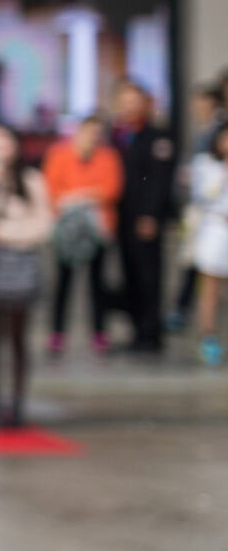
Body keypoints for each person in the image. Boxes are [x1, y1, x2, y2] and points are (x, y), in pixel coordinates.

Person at [0, 125, 52, 426]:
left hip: (20, 263)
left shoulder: (31, 181)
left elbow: (42, 226)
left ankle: (17, 404)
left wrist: (5, 234)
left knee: (17, 338)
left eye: (3, 141)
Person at [42, 116, 124, 356]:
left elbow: (111, 189)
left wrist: (76, 196)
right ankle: (57, 333)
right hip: (67, 229)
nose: (92, 138)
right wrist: (88, 195)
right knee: (63, 283)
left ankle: (99, 332)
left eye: (96, 133)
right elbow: (52, 187)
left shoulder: (108, 157)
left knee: (97, 283)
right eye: (88, 132)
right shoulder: (60, 154)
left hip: (98, 229)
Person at [110, 79, 176, 355]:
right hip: (122, 218)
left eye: (133, 100)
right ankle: (138, 331)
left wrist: (151, 215)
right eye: (124, 101)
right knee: (130, 275)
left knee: (150, 277)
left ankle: (151, 334)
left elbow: (160, 181)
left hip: (146, 219)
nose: (129, 106)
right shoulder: (117, 136)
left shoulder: (158, 137)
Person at [168, 82, 224, 331]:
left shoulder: (216, 124)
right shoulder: (205, 159)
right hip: (209, 222)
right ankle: (202, 329)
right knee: (203, 276)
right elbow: (201, 191)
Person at [188, 123, 228, 366]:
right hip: (215, 228)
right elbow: (203, 195)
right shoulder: (206, 164)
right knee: (210, 289)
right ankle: (207, 337)